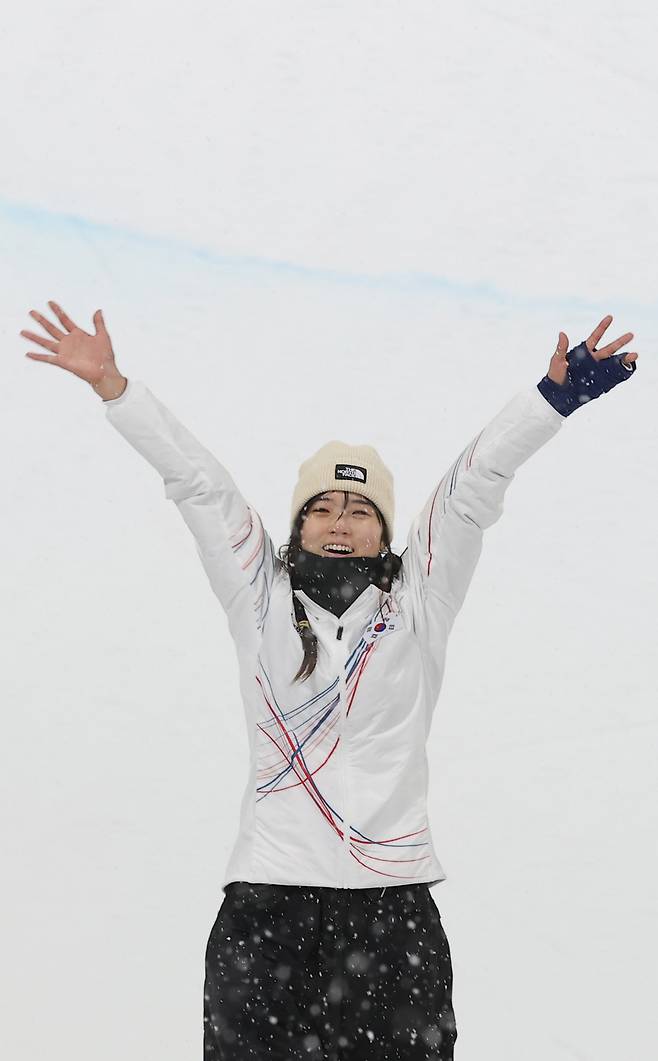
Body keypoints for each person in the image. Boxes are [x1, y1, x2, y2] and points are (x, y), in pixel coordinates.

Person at [21, 303, 638, 1060]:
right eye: (321, 508)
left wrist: (550, 400)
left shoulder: (419, 601)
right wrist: (117, 387)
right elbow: (200, 486)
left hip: (392, 919)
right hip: (268, 910)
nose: (339, 522)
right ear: (298, 525)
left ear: (385, 530)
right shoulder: (262, 598)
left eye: (359, 509)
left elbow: (474, 488)